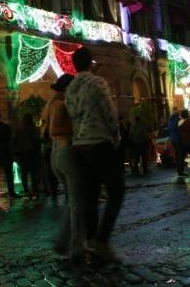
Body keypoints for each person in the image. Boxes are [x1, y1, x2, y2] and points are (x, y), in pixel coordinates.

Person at [66, 47, 123, 264]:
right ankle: (101, 239)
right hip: (100, 142)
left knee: (90, 196)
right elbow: (109, 113)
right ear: (91, 63)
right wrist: (115, 138)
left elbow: (72, 115)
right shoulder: (97, 83)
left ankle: (90, 241)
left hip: (80, 145)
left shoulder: (71, 87)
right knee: (116, 192)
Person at [42, 73, 85, 260]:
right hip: (65, 150)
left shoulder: (51, 105)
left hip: (57, 154)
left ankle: (63, 241)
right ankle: (75, 246)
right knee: (76, 203)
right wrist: (76, 130)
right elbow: (53, 130)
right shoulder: (60, 105)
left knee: (72, 200)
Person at [13, 113, 42, 199]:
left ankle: (26, 191)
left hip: (22, 155)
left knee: (24, 174)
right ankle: (35, 191)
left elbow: (14, 141)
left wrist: (15, 153)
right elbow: (37, 140)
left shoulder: (18, 130)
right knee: (34, 174)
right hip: (32, 154)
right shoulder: (34, 129)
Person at [167, 111, 184, 176]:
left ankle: (178, 169)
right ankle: (180, 170)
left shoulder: (169, 122)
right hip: (178, 139)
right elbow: (180, 130)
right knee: (180, 154)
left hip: (172, 139)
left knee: (177, 154)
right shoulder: (177, 122)